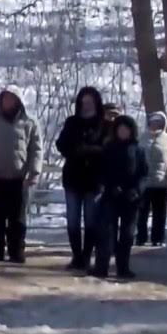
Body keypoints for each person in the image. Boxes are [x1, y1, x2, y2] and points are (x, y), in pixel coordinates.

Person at [0, 86, 42, 264]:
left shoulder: (29, 123)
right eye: (5, 98)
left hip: (18, 179)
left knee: (17, 219)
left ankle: (16, 251)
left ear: (18, 101)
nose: (8, 102)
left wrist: (34, 171)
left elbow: (36, 149)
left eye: (12, 99)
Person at [55, 87, 108, 271]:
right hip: (73, 177)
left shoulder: (104, 124)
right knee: (72, 220)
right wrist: (75, 150)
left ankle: (86, 256)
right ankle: (77, 256)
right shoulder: (72, 122)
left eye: (90, 102)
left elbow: (108, 149)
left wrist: (91, 151)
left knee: (91, 220)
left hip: (94, 179)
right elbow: (60, 144)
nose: (86, 105)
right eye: (83, 102)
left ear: (96, 103)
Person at [94, 116, 148, 279]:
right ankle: (101, 267)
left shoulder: (138, 150)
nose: (123, 132)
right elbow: (102, 172)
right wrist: (110, 186)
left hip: (131, 199)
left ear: (132, 131)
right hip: (111, 196)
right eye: (120, 129)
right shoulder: (108, 148)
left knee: (127, 235)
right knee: (107, 234)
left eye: (126, 129)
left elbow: (144, 174)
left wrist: (137, 190)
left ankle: (123, 268)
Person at [137, 111, 167, 247]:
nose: (155, 124)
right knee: (141, 212)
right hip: (143, 183)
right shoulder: (141, 138)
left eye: (158, 122)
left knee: (159, 213)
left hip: (161, 183)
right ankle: (141, 237)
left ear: (163, 124)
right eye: (153, 121)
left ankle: (158, 238)